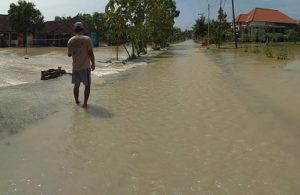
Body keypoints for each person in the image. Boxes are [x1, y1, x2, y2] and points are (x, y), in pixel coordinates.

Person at [67, 22, 95, 108]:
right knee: (87, 85)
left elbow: (69, 55)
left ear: (74, 30)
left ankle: (76, 101)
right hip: (85, 67)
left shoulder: (70, 41)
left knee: (76, 85)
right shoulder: (87, 39)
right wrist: (93, 63)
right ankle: (85, 104)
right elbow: (90, 53)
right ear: (82, 29)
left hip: (75, 67)